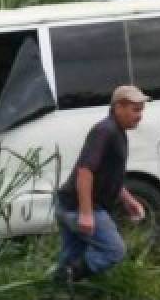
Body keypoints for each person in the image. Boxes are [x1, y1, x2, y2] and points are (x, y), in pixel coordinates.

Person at [52, 84, 148, 281]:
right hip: (78, 207)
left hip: (69, 203)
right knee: (114, 250)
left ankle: (58, 292)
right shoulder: (105, 131)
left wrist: (128, 200)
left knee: (73, 255)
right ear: (118, 107)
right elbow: (85, 172)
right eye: (135, 110)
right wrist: (86, 214)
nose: (140, 116)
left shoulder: (117, 131)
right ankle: (69, 276)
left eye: (141, 110)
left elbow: (107, 175)